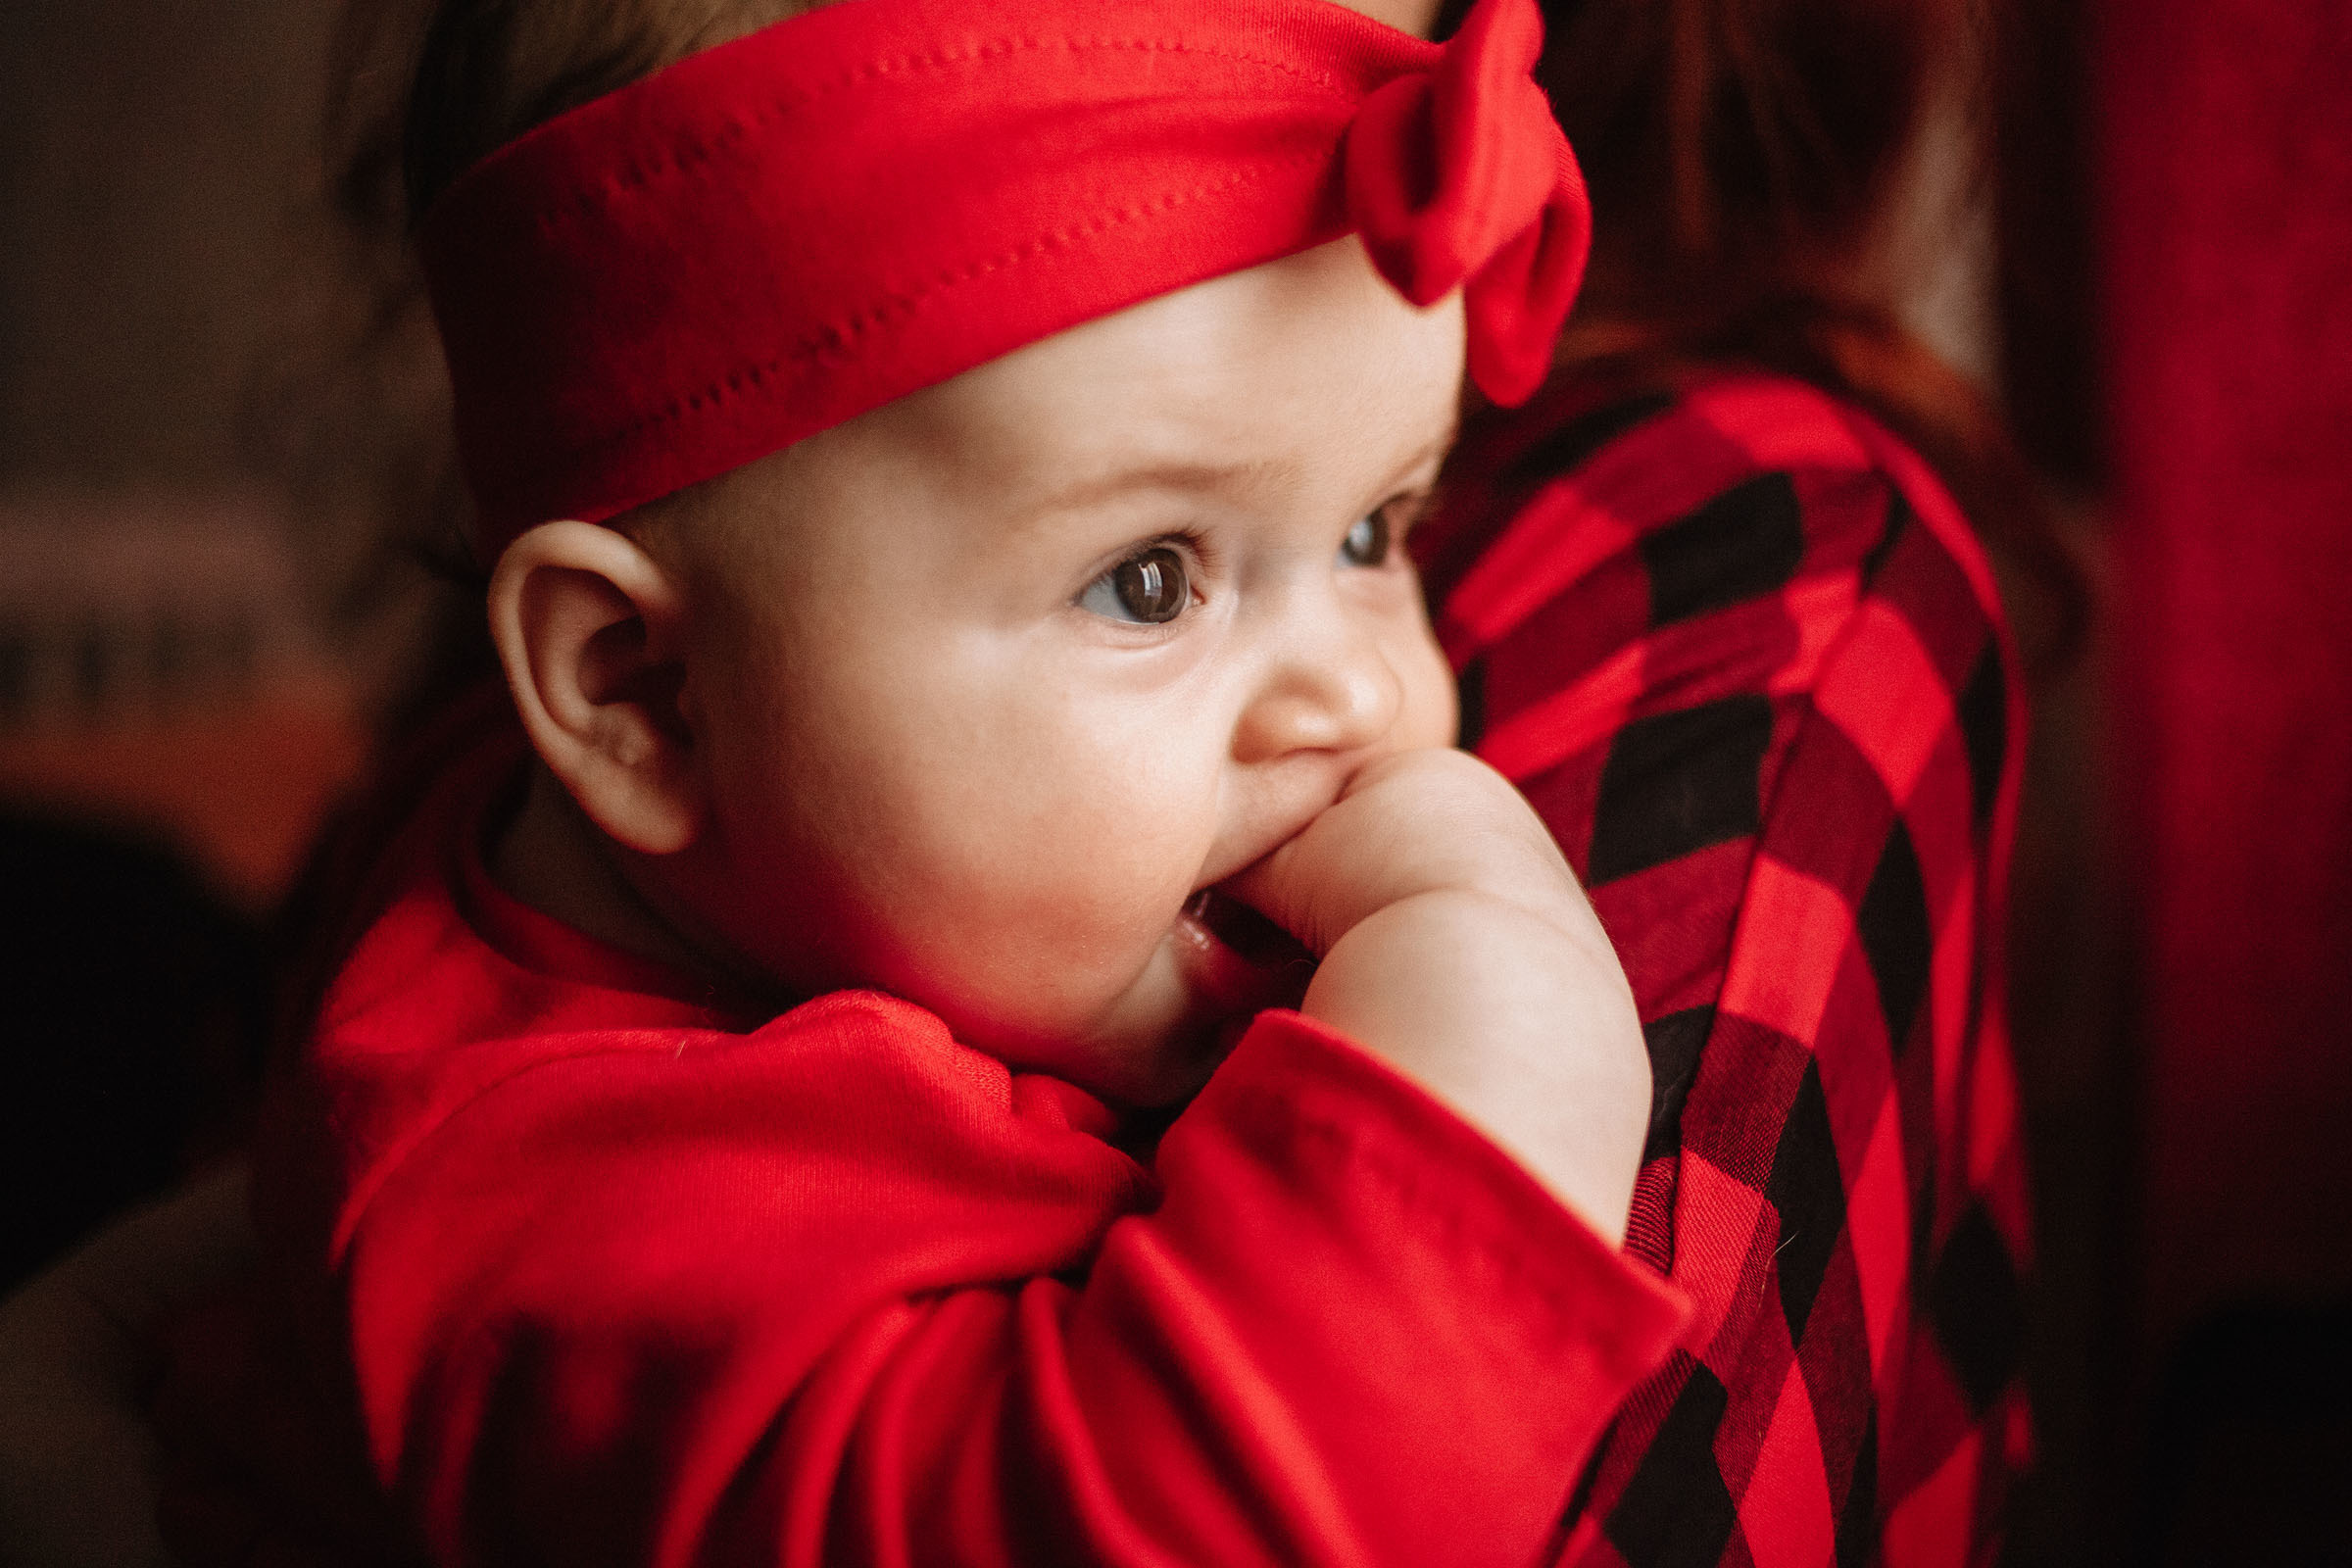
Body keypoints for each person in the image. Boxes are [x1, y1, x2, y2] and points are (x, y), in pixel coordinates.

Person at [37, 0, 1697, 1563]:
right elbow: (1148, 1523)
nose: (1359, 692)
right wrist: (1493, 1009)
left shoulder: (807, 873)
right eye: (1149, 582)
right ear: (642, 693)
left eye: (1373, 532)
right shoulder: (601, 1232)